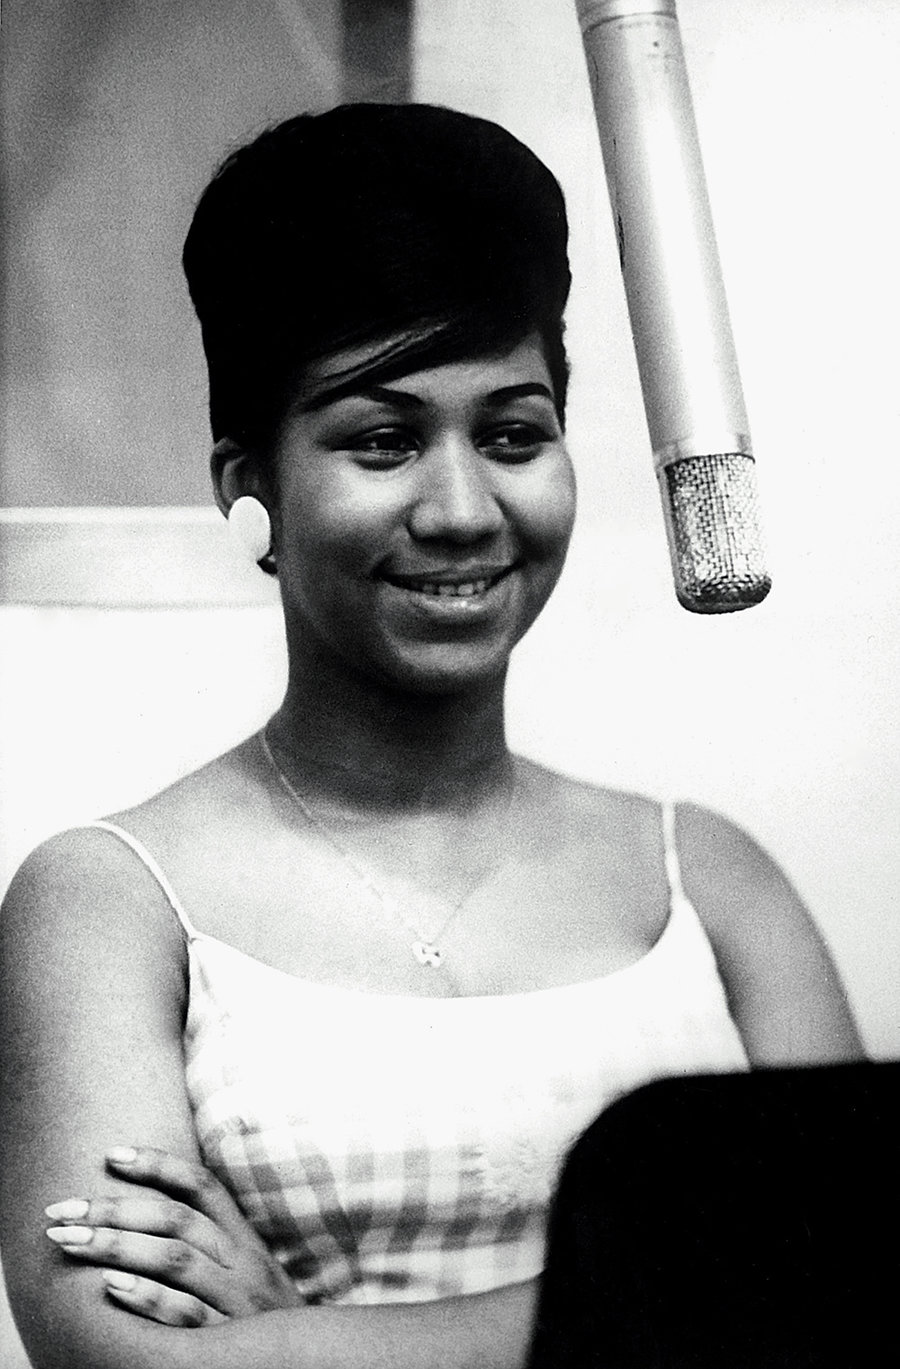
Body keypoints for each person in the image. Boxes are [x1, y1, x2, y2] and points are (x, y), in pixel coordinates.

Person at [0, 103, 862, 1369]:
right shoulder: (108, 901)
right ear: (251, 490)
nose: (462, 509)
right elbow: (130, 1360)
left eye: (515, 434)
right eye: (383, 439)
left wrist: (302, 1338)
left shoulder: (711, 881)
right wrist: (694, 1291)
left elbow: (877, 1286)